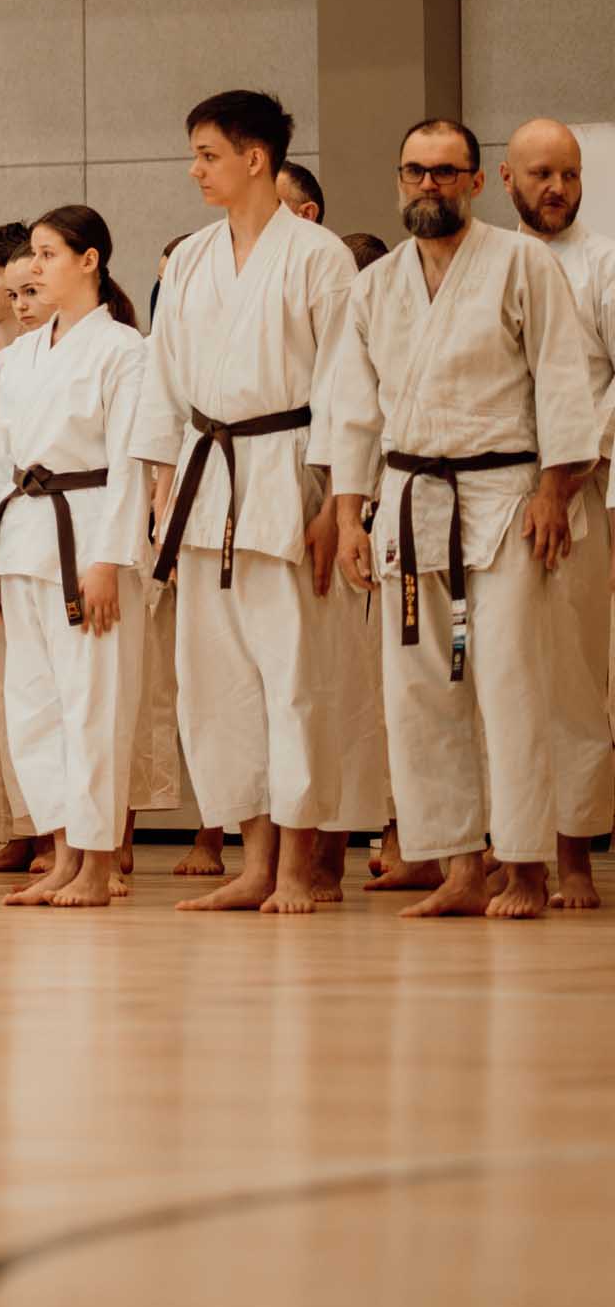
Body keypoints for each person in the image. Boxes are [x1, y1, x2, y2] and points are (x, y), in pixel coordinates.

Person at [316, 120, 605, 920]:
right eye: (416, 172)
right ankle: (456, 865)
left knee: (511, 685)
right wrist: (348, 519)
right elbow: (353, 413)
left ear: (479, 183)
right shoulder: (374, 287)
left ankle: (523, 866)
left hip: (508, 499)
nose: (429, 186)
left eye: (447, 173)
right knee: (419, 690)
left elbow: (562, 383)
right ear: (399, 178)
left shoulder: (523, 264)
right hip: (411, 504)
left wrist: (557, 489)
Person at [139, 92, 372, 915]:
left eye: (208, 154)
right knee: (215, 682)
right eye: (195, 154)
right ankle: (252, 860)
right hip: (206, 483)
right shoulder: (193, 258)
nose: (196, 169)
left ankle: (302, 865)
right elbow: (162, 380)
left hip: (287, 472)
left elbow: (348, 388)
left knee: (295, 676)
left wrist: (337, 506)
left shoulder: (317, 257)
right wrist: (162, 479)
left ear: (255, 160)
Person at [0, 208, 162, 911]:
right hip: (23, 537)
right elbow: (0, 466)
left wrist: (112, 559)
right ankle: (59, 853)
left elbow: (128, 466)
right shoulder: (19, 355)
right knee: (33, 708)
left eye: (50, 254)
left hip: (87, 540)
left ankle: (97, 863)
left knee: (95, 706)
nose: (36, 267)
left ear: (89, 261)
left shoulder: (124, 350)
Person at [497, 119, 614, 907]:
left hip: (575, 494)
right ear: (505, 179)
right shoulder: (484, 262)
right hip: (492, 497)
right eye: (541, 174)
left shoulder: (602, 262)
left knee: (573, 677)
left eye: (569, 175)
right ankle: (512, 851)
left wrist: (566, 481)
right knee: (500, 679)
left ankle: (574, 854)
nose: (558, 189)